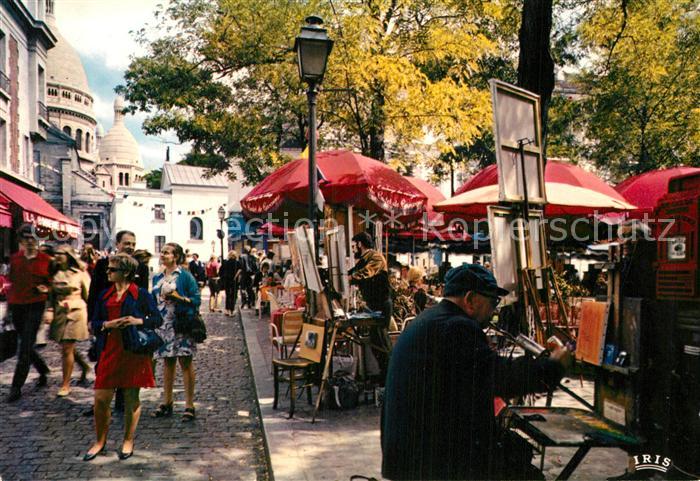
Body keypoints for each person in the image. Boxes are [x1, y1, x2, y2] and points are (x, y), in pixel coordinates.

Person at [381, 264, 572, 480]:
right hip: (430, 461)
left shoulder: (431, 319)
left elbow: (480, 372)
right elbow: (500, 378)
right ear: (470, 299)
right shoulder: (456, 327)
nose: (494, 311)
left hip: (412, 453)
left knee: (514, 452)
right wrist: (554, 365)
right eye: (493, 302)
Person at [83, 253, 162, 461]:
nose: (107, 272)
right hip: (109, 349)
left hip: (132, 351)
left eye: (112, 270)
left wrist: (137, 321)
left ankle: (128, 439)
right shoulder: (104, 295)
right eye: (108, 269)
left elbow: (156, 320)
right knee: (100, 399)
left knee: (130, 399)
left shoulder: (141, 294)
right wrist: (108, 325)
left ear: (126, 272)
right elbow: (96, 323)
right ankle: (100, 441)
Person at [87, 230, 147, 413]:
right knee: (103, 360)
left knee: (125, 360)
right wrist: (91, 319)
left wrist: (139, 320)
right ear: (117, 244)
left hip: (128, 321)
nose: (130, 247)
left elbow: (144, 296)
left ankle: (122, 401)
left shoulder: (140, 267)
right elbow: (94, 292)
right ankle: (101, 401)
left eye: (133, 244)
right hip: (106, 319)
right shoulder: (104, 265)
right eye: (126, 243)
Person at [151, 242, 201, 421]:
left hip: (181, 325)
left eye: (167, 253)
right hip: (164, 327)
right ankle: (167, 401)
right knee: (167, 363)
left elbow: (196, 300)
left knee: (185, 363)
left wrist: (177, 297)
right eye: (162, 252)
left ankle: (189, 405)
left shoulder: (185, 276)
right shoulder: (157, 278)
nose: (163, 255)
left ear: (176, 257)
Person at [5, 224, 52, 402]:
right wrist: (8, 311)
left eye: (33, 238)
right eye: (27, 238)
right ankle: (42, 369)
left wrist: (47, 292)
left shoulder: (46, 260)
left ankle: (16, 387)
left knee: (24, 347)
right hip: (17, 306)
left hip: (35, 306)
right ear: (21, 241)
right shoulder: (15, 259)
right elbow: (11, 284)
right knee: (24, 344)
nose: (31, 242)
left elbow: (53, 284)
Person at [45, 245, 91, 397]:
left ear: (69, 256)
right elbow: (50, 295)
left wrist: (91, 318)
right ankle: (83, 366)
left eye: (61, 254)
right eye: (56, 253)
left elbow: (88, 295)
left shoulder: (80, 273)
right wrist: (50, 310)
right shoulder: (53, 272)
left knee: (66, 347)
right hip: (59, 312)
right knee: (66, 346)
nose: (57, 256)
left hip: (76, 312)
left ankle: (65, 384)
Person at [348, 232, 392, 385]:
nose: (353, 250)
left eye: (354, 246)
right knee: (376, 343)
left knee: (381, 343)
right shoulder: (363, 260)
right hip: (373, 306)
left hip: (381, 306)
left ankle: (388, 378)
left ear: (360, 244)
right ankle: (383, 374)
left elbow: (367, 272)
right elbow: (352, 272)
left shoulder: (375, 257)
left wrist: (350, 278)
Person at [219, 250, 240, 316]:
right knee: (233, 295)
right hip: (234, 281)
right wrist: (235, 277)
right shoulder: (237, 262)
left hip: (227, 281)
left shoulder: (225, 262)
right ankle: (232, 310)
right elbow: (240, 270)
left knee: (228, 295)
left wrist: (223, 278)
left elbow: (220, 272)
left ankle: (227, 310)